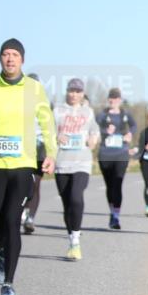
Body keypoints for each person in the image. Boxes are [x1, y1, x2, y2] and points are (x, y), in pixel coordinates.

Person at [0, 39, 57, 295]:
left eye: (15, 55)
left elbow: (46, 122)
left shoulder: (33, 89)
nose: (10, 59)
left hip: (22, 166)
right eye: (5, 54)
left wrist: (51, 154)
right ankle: (5, 251)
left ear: (22, 60)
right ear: (0, 59)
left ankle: (8, 285)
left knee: (11, 220)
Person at [53, 77, 100, 260]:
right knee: (67, 205)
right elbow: (47, 130)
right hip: (62, 162)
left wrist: (93, 139)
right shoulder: (57, 110)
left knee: (76, 197)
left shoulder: (88, 111)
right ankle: (71, 237)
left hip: (82, 162)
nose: (74, 94)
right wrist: (57, 136)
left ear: (82, 94)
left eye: (78, 91)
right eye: (71, 91)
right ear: (67, 91)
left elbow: (95, 130)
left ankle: (75, 239)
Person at [97, 87, 137, 230]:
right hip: (105, 154)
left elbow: (134, 125)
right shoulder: (102, 115)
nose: (113, 100)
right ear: (109, 100)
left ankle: (116, 216)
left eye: (116, 98)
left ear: (120, 100)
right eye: (111, 98)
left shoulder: (125, 114)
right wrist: (104, 131)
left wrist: (130, 134)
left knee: (118, 184)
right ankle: (112, 211)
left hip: (121, 154)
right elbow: (93, 129)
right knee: (109, 186)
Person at [20, 73, 46, 234]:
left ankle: (30, 218)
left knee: (35, 184)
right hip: (21, 150)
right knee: (23, 183)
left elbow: (51, 128)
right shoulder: (17, 103)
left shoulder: (44, 105)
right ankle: (22, 212)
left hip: (39, 150)